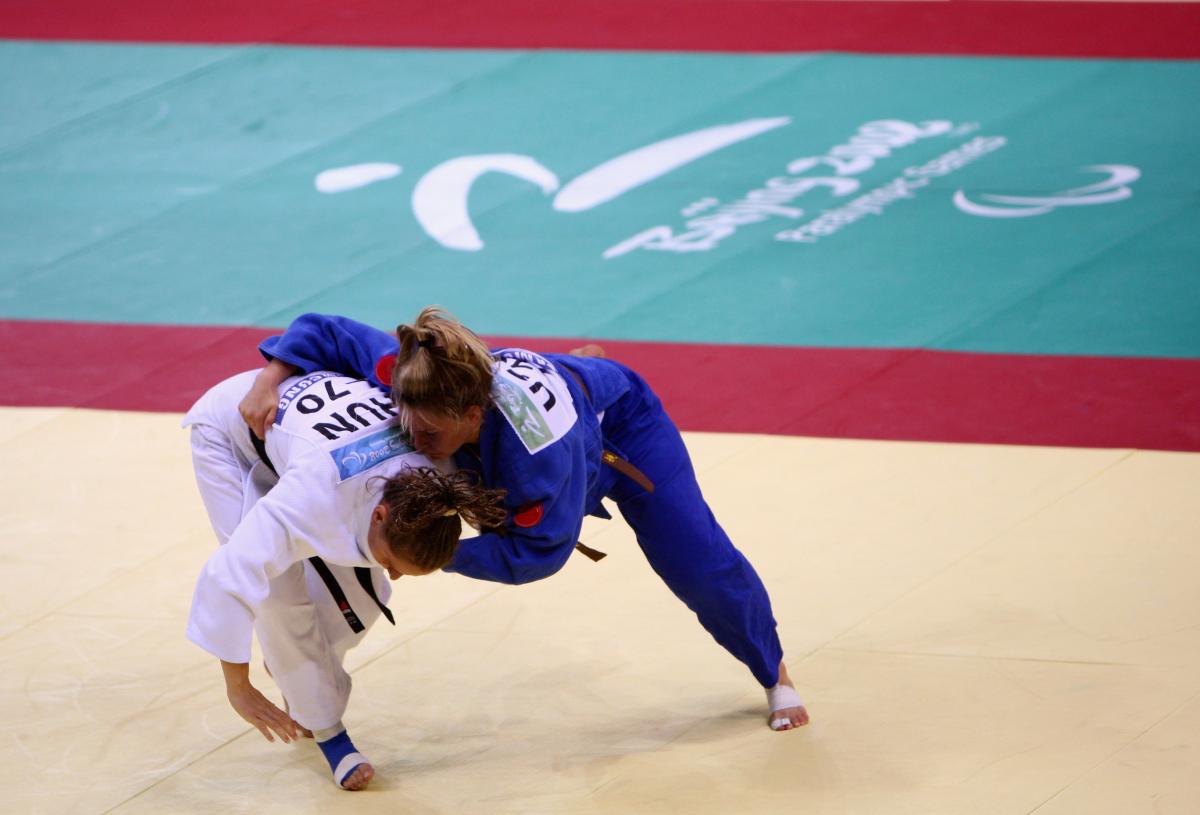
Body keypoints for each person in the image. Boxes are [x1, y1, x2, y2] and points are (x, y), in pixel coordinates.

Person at [240, 309, 809, 732]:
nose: (415, 440)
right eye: (407, 422)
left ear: (473, 412)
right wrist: (269, 380)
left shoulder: (535, 461)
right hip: (543, 410)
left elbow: (541, 554)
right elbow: (322, 330)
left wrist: (431, 554)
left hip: (621, 434)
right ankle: (582, 369)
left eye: (431, 434)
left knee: (695, 561)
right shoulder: (412, 373)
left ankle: (774, 673)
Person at [185, 368, 505, 790]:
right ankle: (330, 733)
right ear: (379, 515)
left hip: (315, 444)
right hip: (232, 433)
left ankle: (294, 671)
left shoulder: (440, 473)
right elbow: (230, 574)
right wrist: (238, 686)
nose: (393, 571)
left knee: (368, 595)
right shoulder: (311, 499)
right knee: (279, 596)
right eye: (393, 559)